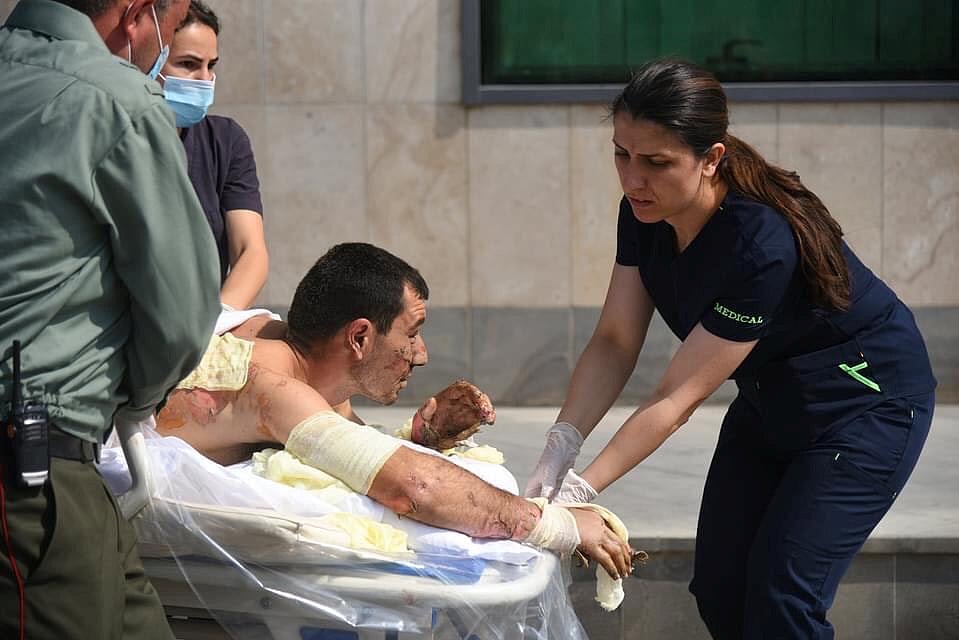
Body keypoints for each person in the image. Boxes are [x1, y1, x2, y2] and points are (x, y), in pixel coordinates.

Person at [524, 59, 936, 639]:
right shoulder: (643, 213)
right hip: (772, 398)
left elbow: (676, 398)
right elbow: (615, 341)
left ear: (711, 157)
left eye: (657, 162)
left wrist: (580, 490)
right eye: (622, 154)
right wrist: (558, 447)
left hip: (866, 405)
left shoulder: (759, 244)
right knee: (719, 589)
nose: (633, 179)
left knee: (782, 596)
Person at [155, 242, 635, 579]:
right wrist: (558, 525)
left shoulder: (286, 343)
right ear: (360, 337)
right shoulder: (272, 388)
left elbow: (349, 447)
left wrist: (422, 434)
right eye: (412, 333)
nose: (421, 354)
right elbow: (414, 488)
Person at [0, 1, 221, 639]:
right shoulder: (119, 102)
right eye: (170, 20)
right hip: (34, 478)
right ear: (135, 15)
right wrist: (137, 401)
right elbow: (181, 313)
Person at [159, 0, 269, 309]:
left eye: (212, 65)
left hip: (209, 318)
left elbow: (251, 251)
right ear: (151, 59)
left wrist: (216, 322)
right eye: (189, 64)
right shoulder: (121, 138)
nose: (205, 79)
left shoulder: (225, 141)